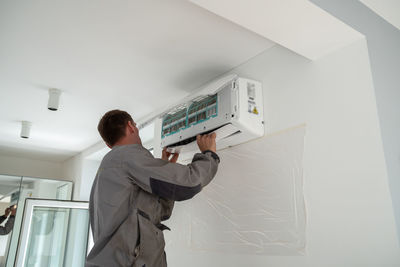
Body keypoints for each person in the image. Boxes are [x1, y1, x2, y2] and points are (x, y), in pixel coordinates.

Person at [86, 110, 220, 267]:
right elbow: (189, 183)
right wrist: (209, 155)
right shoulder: (127, 156)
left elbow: (159, 212)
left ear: (108, 144)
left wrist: (165, 167)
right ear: (131, 126)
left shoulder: (110, 166)